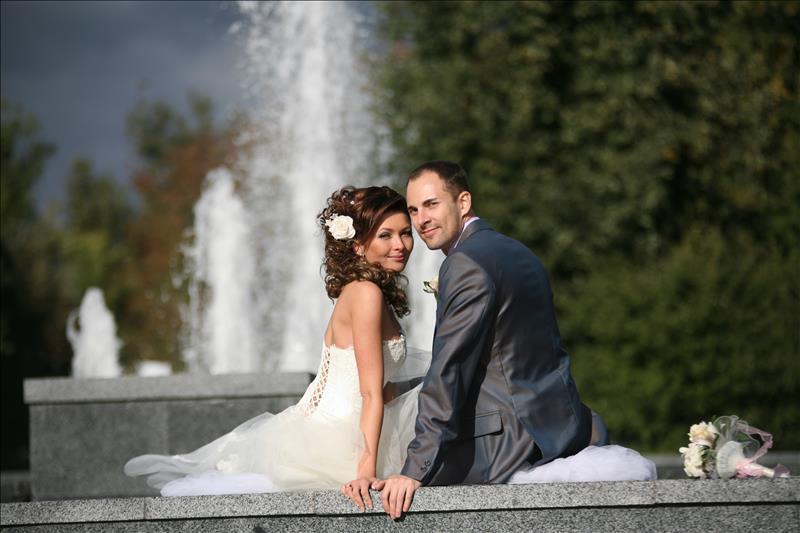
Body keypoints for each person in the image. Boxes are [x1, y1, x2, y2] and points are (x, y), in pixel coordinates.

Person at [374, 161, 655, 519]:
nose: (421, 219)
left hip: (503, 445)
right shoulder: (521, 253)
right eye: (414, 210)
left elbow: (450, 368)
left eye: (431, 204)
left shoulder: (464, 263)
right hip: (560, 427)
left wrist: (415, 467)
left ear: (463, 202)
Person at [125, 186, 427, 508]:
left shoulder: (367, 292)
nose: (400, 245)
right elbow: (368, 392)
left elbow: (381, 389)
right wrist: (365, 472)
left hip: (358, 432)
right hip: (335, 438)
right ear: (357, 245)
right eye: (386, 235)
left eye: (405, 233)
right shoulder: (366, 293)